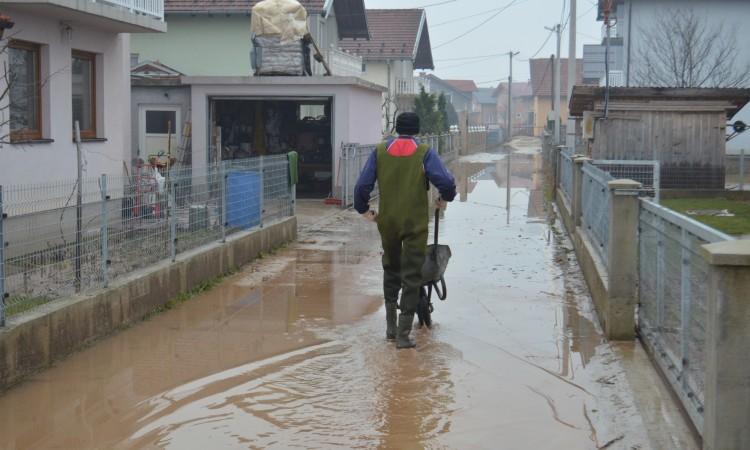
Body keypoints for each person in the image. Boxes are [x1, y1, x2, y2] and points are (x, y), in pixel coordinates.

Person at [354, 113, 457, 349]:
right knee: (411, 276)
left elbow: (362, 186)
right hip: (415, 224)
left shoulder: (379, 151)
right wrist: (444, 198)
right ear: (417, 130)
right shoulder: (424, 153)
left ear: (396, 128)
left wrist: (364, 209)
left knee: (391, 269)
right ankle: (403, 335)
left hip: (387, 222)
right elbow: (447, 182)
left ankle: (390, 329)